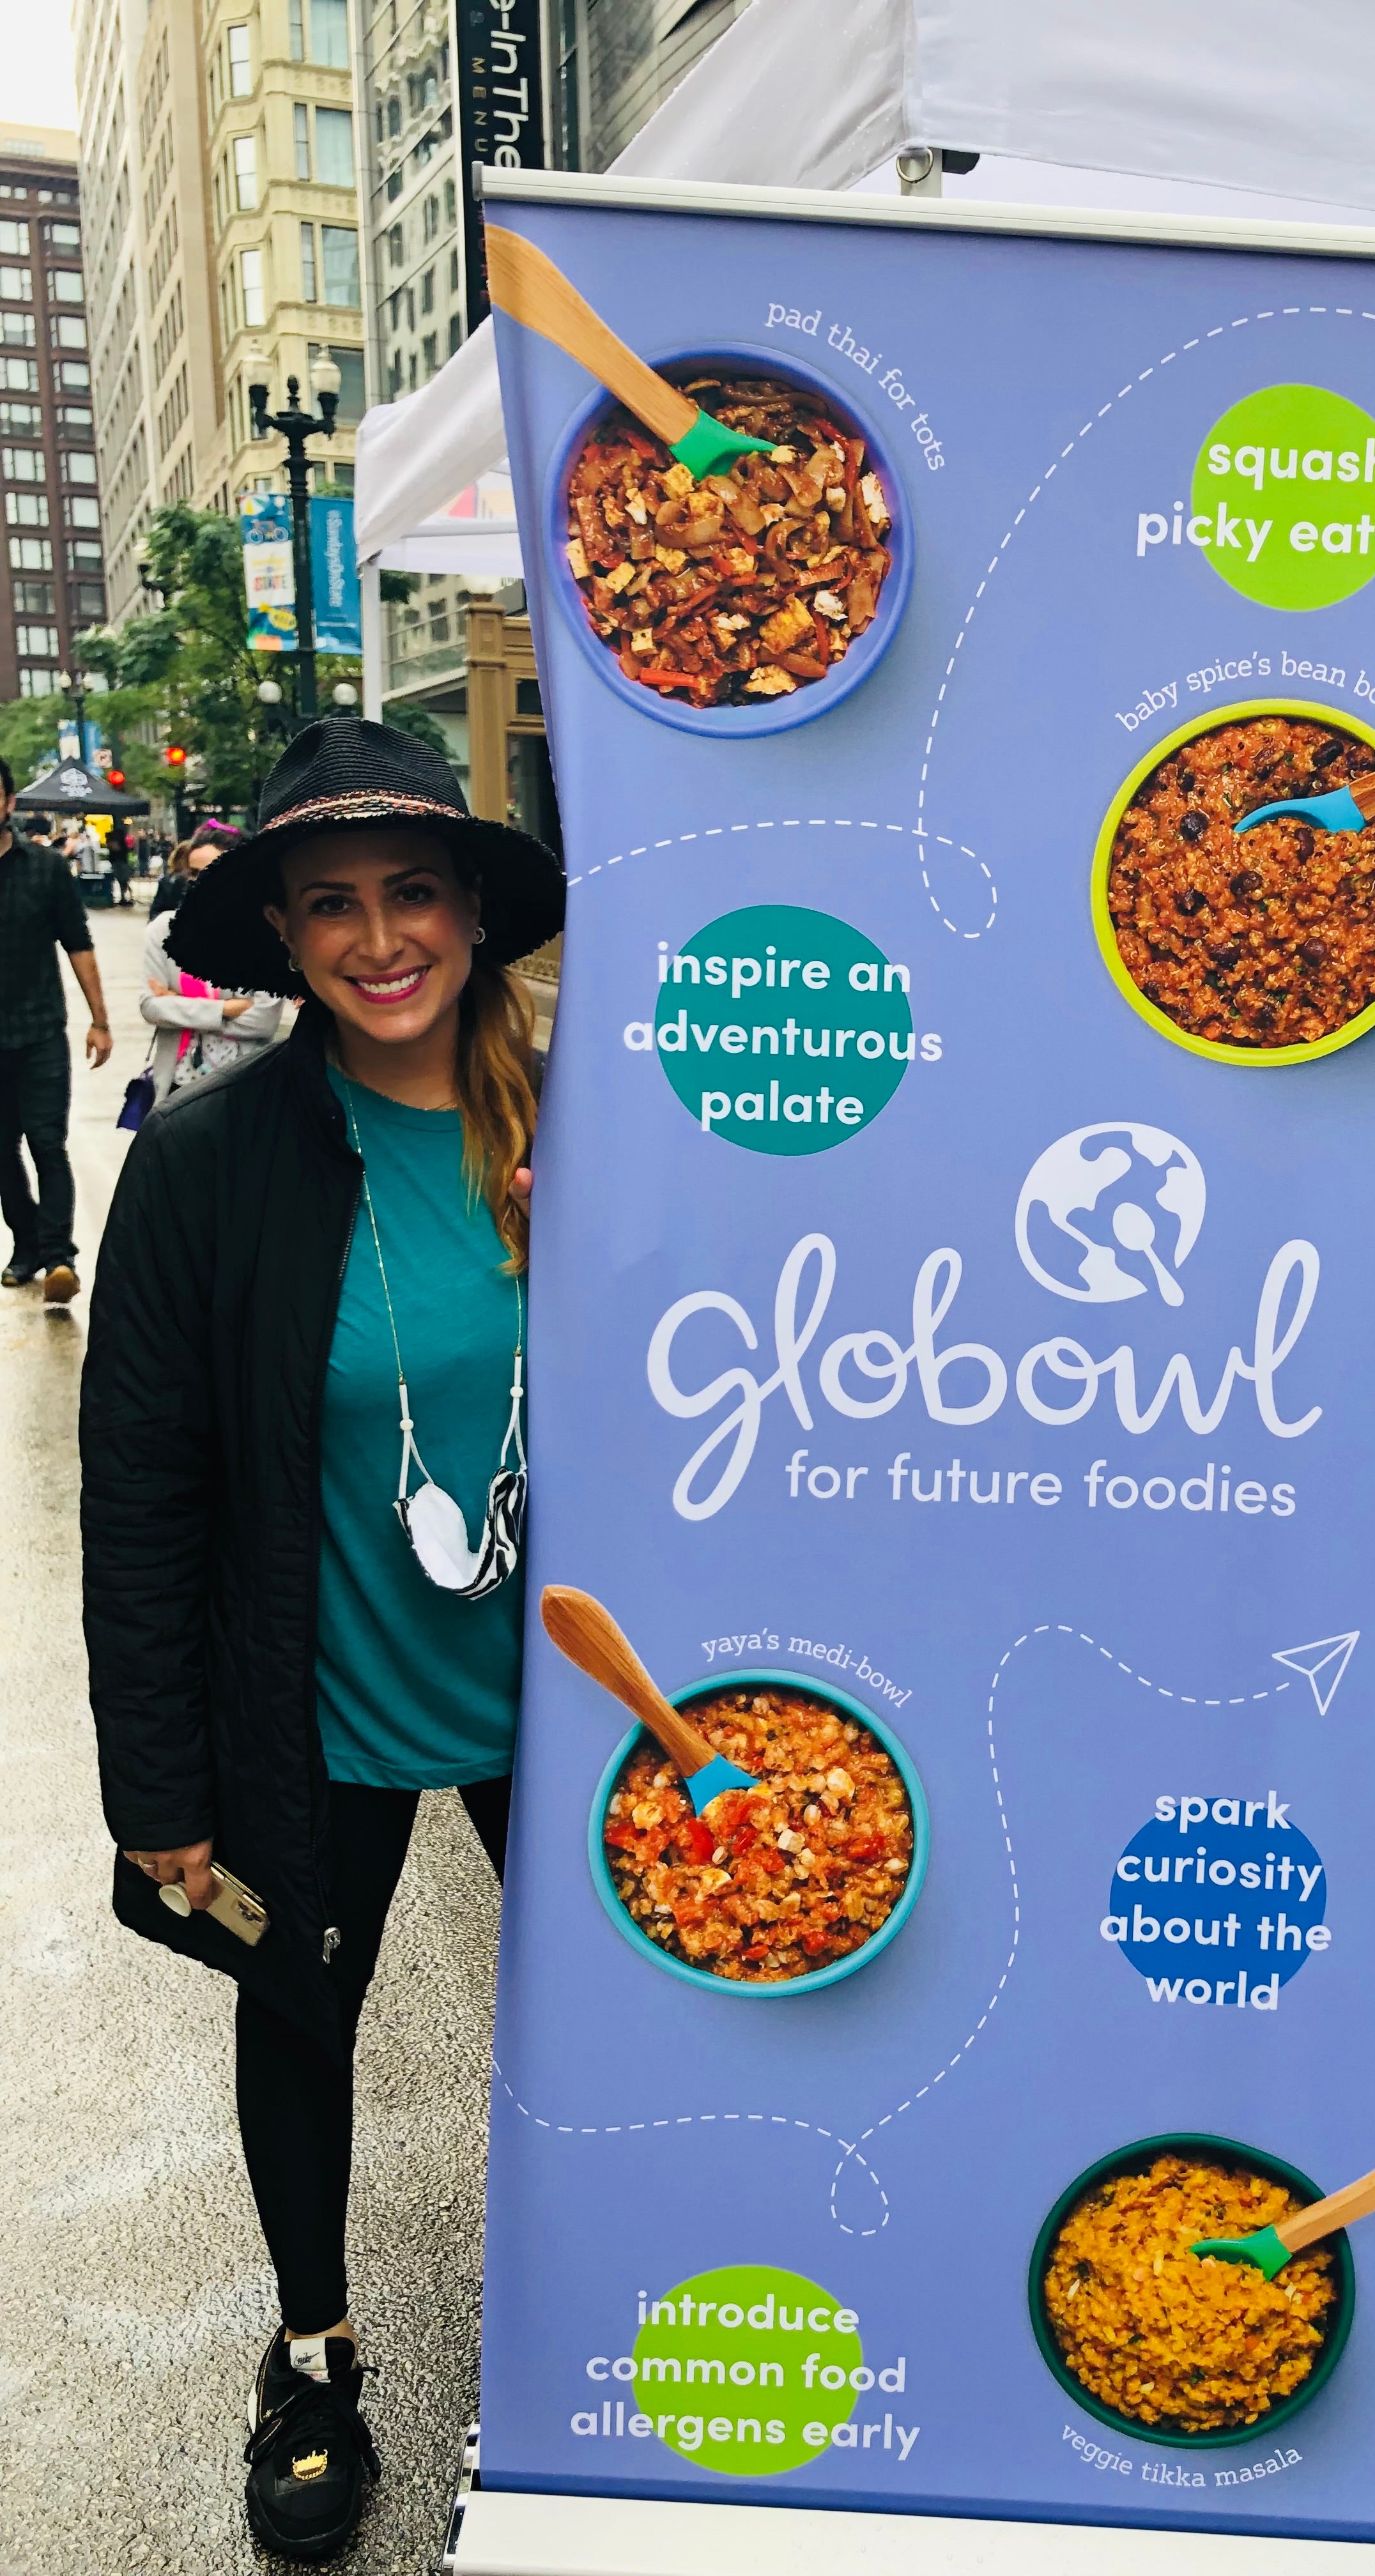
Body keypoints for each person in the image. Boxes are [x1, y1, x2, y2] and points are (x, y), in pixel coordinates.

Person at [79, 716, 563, 2563]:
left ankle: (622, 2317)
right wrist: (163, 1786)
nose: (381, 939)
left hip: (568, 1709)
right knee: (303, 2012)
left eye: (415, 893)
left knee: (632, 2015)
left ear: (467, 912)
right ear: (283, 932)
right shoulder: (211, 1172)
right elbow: (141, 1499)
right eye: (335, 903)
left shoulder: (581, 1129)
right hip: (322, 1704)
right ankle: (314, 2351)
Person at [0, 755, 114, 1299]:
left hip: (40, 1032)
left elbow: (79, 946)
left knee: (48, 1144)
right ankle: (25, 1247)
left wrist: (100, 1020)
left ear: (8, 803)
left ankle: (58, 1259)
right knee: (2, 1153)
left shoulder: (45, 870)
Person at [139, 834, 284, 1101]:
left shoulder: (266, 936)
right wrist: (226, 1010)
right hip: (176, 1087)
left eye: (213, 871)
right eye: (194, 873)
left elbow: (263, 1021)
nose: (201, 882)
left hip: (243, 1088)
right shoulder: (163, 931)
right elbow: (151, 1007)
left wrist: (179, 1004)